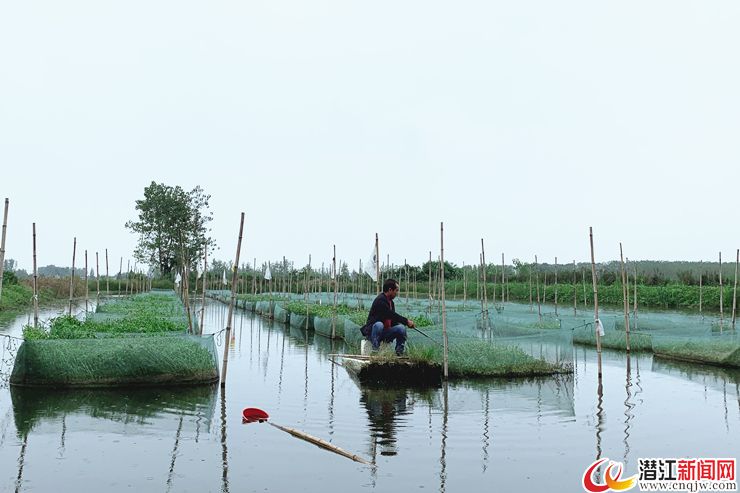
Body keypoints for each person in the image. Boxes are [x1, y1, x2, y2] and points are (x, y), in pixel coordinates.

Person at [361, 279, 415, 355]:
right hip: (373, 333)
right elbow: (390, 314)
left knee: (401, 328)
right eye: (396, 290)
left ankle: (399, 352)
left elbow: (393, 321)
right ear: (390, 290)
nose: (397, 293)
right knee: (379, 325)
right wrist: (406, 321)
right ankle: (375, 351)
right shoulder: (380, 300)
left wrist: (403, 326)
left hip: (385, 333)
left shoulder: (391, 303)